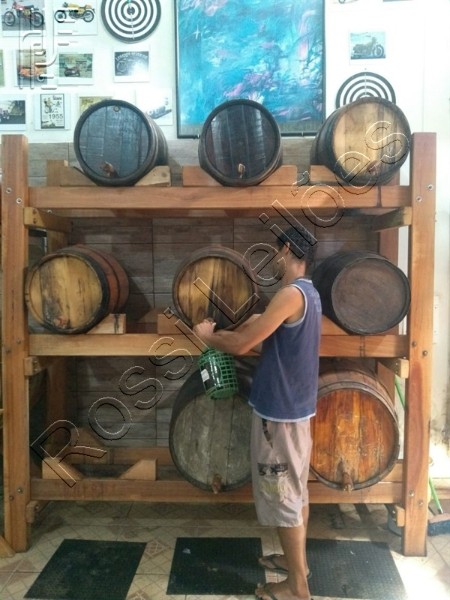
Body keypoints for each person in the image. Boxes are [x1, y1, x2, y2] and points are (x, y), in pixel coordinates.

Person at [193, 225, 322, 600]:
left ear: (287, 250)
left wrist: (208, 336)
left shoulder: (290, 294)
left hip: (279, 413)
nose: (274, 259)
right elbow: (268, 335)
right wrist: (246, 327)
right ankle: (297, 565)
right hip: (294, 409)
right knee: (295, 492)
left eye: (276, 252)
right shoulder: (309, 293)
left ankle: (297, 588)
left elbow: (243, 344)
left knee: (283, 495)